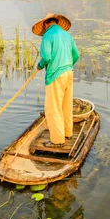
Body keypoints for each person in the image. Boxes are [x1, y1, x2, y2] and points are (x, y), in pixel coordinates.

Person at [32, 13, 80, 148]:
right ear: (57, 23)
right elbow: (76, 54)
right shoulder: (67, 35)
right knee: (66, 104)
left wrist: (40, 65)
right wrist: (67, 65)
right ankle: (67, 133)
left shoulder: (47, 35)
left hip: (55, 75)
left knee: (53, 108)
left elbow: (46, 57)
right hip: (68, 72)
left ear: (45, 24)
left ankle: (57, 140)